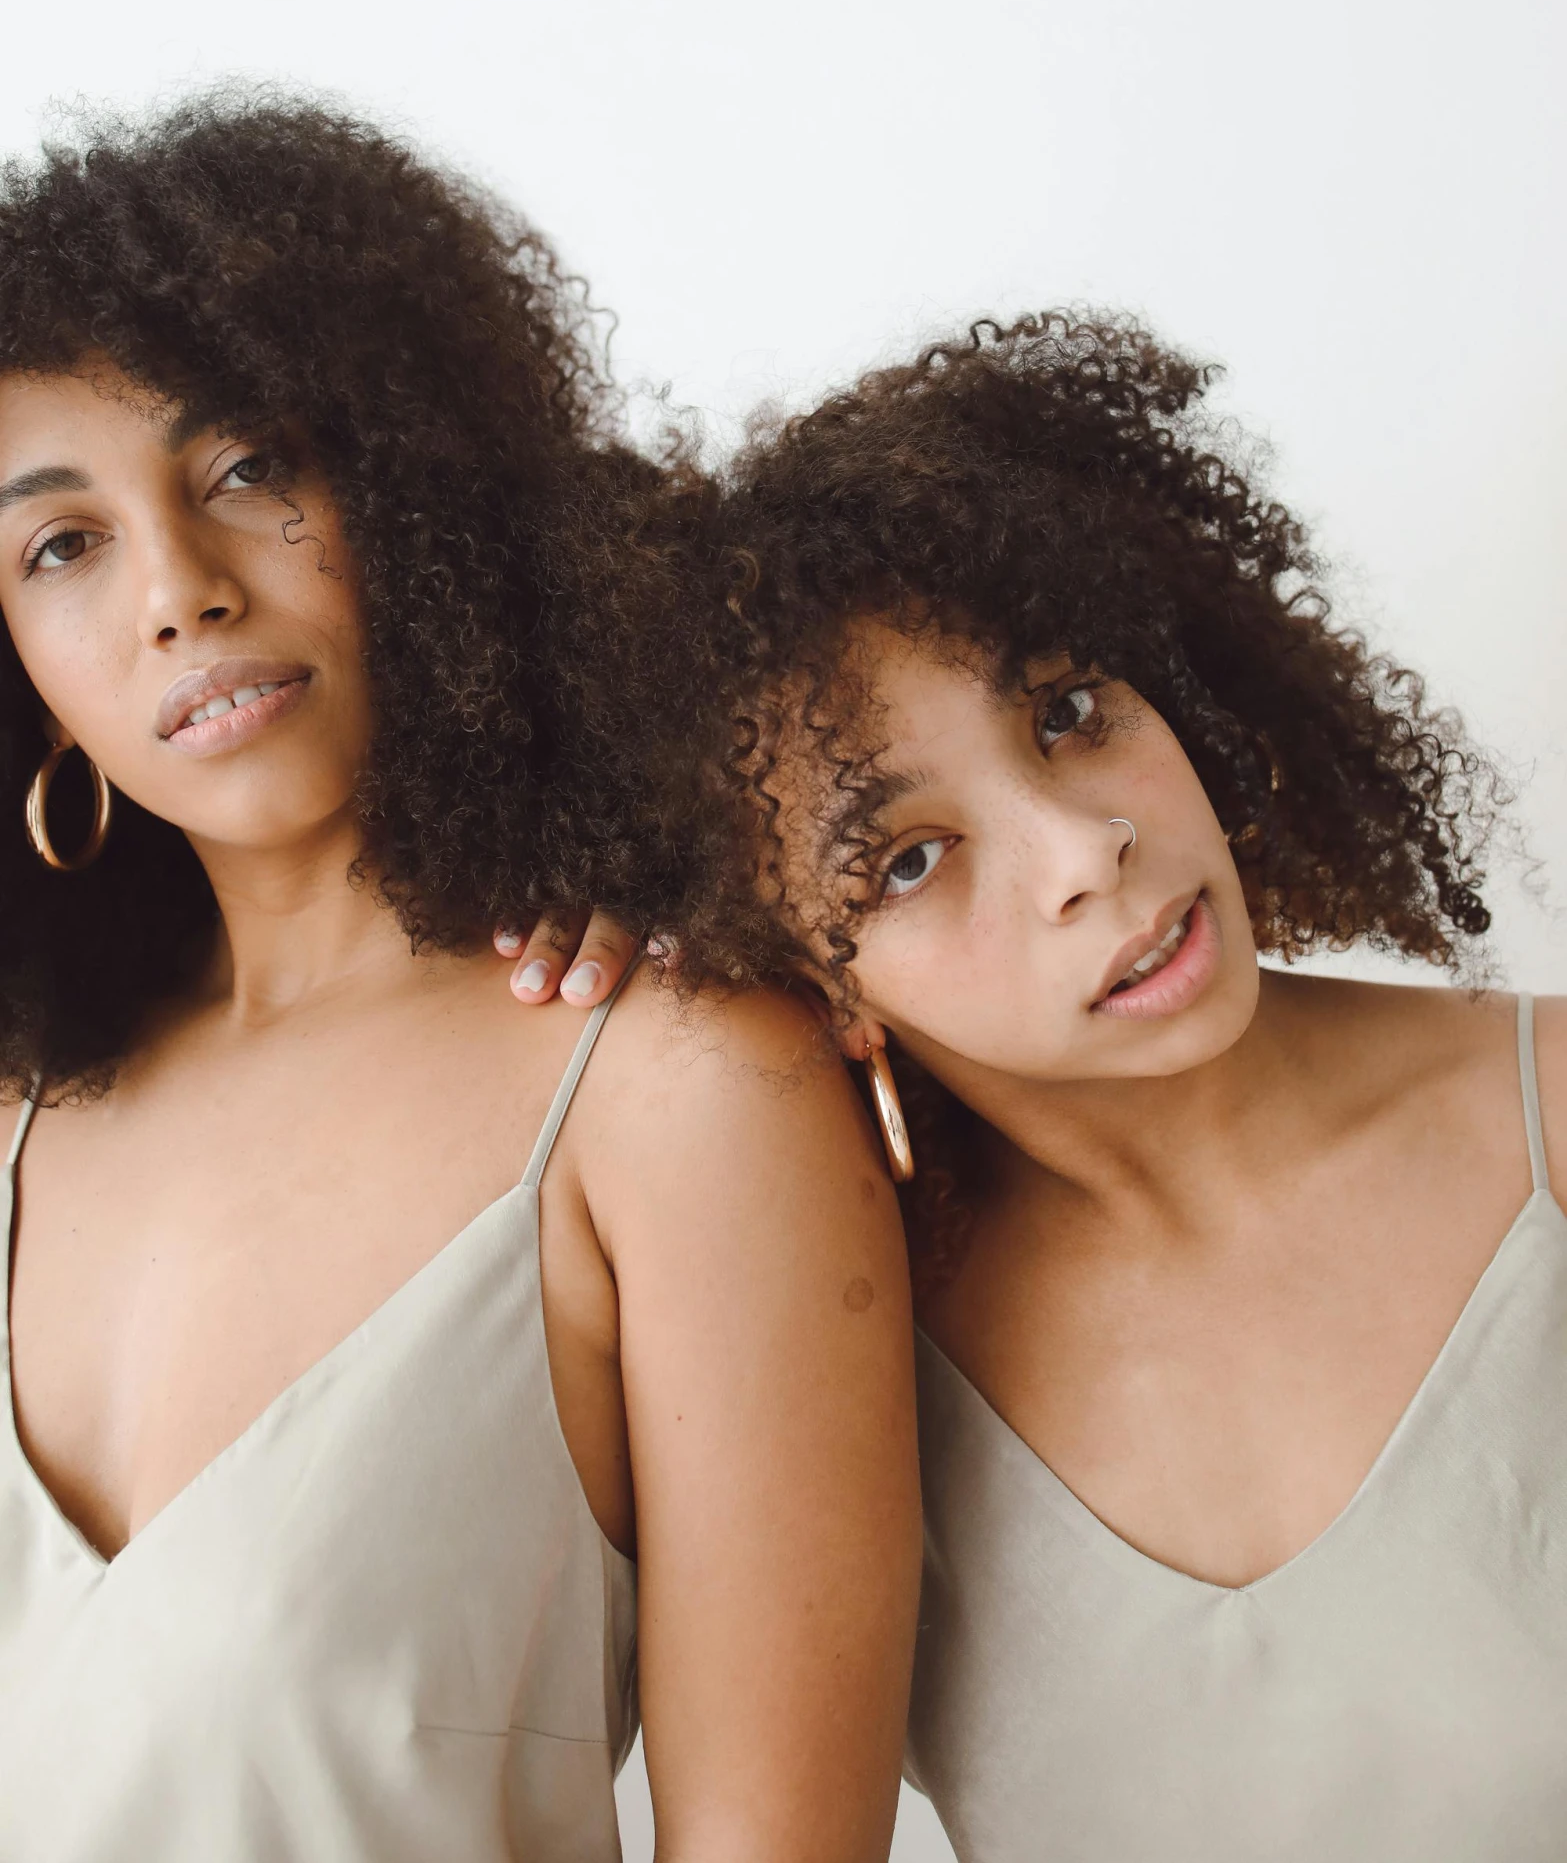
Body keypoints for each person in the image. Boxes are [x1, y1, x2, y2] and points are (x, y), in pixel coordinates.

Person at [0, 94, 919, 1863]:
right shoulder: (27, 1112)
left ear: (411, 490)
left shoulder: (671, 1082)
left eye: (249, 467)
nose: (178, 589)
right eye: (62, 544)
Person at [574, 312, 1565, 1861]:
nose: (1079, 850)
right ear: (804, 979)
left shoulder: (1546, 1125)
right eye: (907, 858)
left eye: (1066, 712)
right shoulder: (831, 1363)